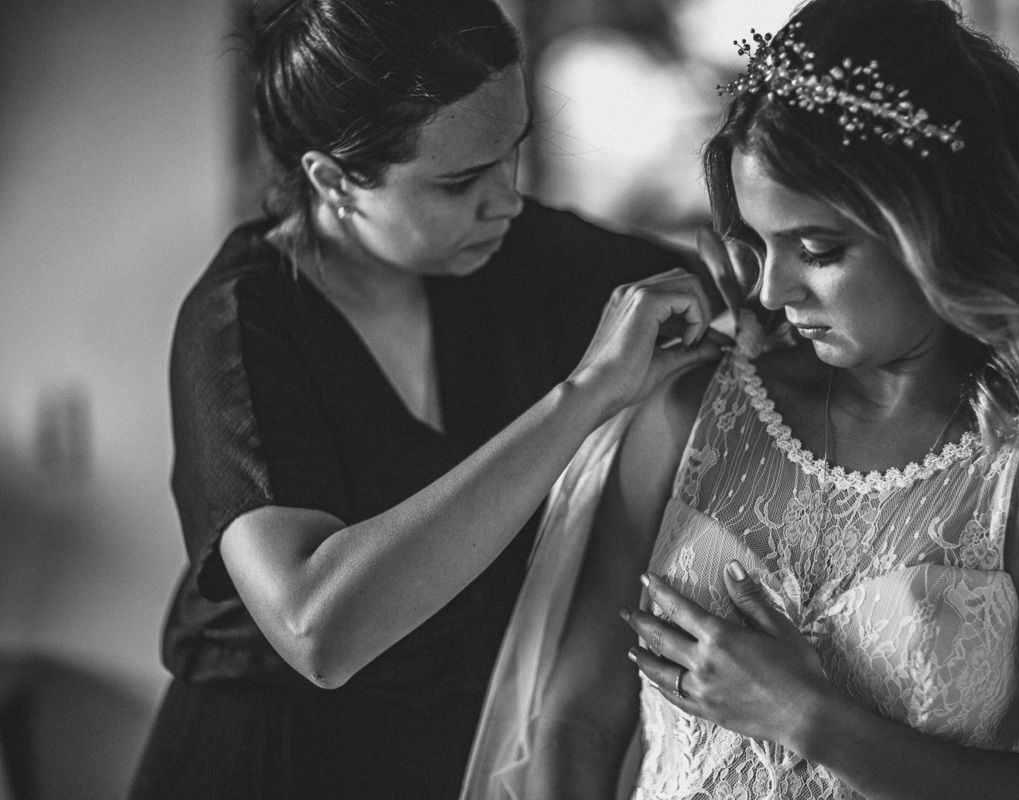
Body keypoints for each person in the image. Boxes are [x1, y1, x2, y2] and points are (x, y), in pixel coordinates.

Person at [514, 1, 1019, 798]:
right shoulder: (690, 412)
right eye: (758, 243)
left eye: (819, 250)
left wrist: (810, 718)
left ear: (938, 226)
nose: (772, 287)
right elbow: (576, 720)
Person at [126, 0, 726, 797]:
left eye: (512, 155)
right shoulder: (243, 327)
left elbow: (731, 288)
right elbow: (319, 628)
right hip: (269, 765)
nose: (504, 201)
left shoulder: (521, 256)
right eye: (459, 182)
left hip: (448, 762)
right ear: (334, 179)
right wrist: (584, 397)